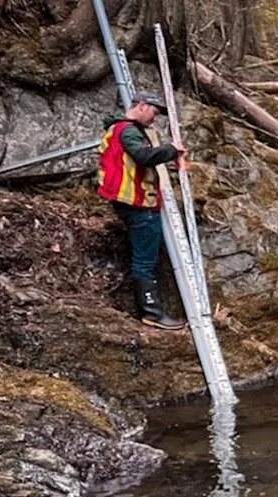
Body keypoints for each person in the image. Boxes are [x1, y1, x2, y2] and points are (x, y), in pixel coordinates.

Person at [98, 91, 187, 330]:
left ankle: (151, 311)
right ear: (140, 106)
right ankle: (152, 313)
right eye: (154, 113)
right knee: (145, 260)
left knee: (143, 257)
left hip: (128, 202)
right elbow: (143, 156)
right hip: (139, 205)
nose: (154, 119)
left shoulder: (117, 129)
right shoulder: (127, 131)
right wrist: (172, 150)